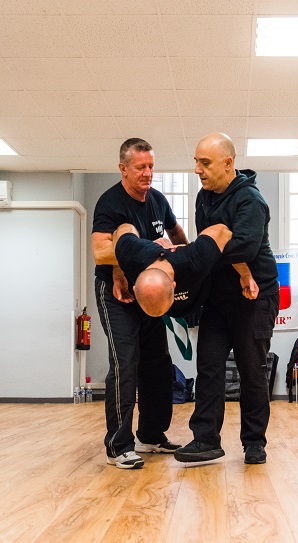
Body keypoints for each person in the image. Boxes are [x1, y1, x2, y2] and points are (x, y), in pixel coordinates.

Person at [174, 132, 280, 466]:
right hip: (218, 298)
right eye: (196, 162)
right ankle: (205, 440)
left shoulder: (250, 200)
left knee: (252, 372)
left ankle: (254, 443)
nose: (198, 169)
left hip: (255, 298)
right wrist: (212, 245)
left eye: (205, 163)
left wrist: (207, 248)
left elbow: (242, 247)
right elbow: (214, 245)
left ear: (228, 163)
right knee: (208, 367)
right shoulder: (203, 198)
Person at [91, 138, 188, 470]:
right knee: (125, 363)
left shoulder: (158, 200)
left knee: (157, 364)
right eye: (140, 167)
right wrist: (152, 248)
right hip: (117, 295)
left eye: (151, 166)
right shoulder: (111, 202)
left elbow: (177, 235)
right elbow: (100, 251)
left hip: (150, 294)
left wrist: (189, 258)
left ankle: (151, 435)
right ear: (123, 168)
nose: (148, 173)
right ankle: (118, 446)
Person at [113, 222, 233, 318]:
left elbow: (222, 230)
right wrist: (118, 277)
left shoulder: (195, 259)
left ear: (174, 285)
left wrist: (244, 275)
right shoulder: (129, 255)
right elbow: (123, 228)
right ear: (134, 288)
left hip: (204, 297)